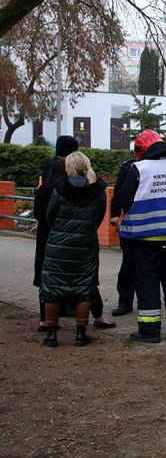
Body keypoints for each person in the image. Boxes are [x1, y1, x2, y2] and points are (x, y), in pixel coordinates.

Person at [111, 130, 166, 343]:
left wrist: (115, 215)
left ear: (141, 151)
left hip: (145, 237)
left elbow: (123, 196)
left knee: (147, 282)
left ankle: (149, 331)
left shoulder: (138, 168)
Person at [39, 152, 107, 347]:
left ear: (69, 167)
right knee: (83, 288)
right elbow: (98, 219)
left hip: (57, 247)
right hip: (86, 246)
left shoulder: (59, 189)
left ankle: (52, 334)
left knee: (52, 288)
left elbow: (49, 217)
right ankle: (80, 334)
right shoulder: (98, 192)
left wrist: (60, 232)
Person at [33, 135, 78, 331]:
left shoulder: (48, 172)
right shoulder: (73, 178)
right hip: (65, 234)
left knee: (48, 271)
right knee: (69, 270)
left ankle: (48, 316)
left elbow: (39, 211)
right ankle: (70, 307)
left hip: (47, 233)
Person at [110, 150, 140, 317]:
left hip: (149, 226)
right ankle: (125, 302)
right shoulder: (130, 166)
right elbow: (120, 191)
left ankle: (147, 303)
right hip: (132, 226)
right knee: (128, 267)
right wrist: (115, 212)